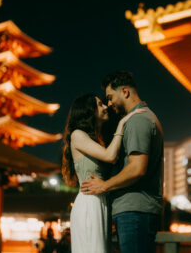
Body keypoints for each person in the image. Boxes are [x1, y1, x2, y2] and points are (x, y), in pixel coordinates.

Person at [81, 70, 164, 253]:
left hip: (135, 211)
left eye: (110, 97)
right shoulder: (140, 118)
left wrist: (104, 185)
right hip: (137, 210)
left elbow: (137, 168)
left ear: (125, 91)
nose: (109, 104)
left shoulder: (138, 121)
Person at [61, 93, 144, 253]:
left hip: (100, 202)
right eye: (99, 104)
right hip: (89, 202)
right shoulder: (78, 135)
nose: (106, 106)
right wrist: (122, 124)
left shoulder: (97, 139)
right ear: (88, 111)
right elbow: (110, 156)